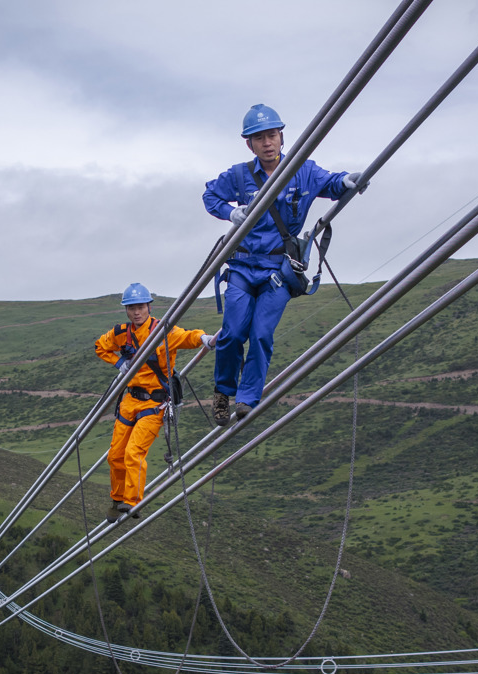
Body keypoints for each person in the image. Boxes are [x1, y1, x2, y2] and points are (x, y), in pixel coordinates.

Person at [202, 103, 367, 425]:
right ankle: (223, 390)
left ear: (281, 137)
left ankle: (247, 399)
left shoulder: (302, 170)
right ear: (249, 143)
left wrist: (350, 179)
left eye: (272, 136)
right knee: (233, 333)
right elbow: (211, 195)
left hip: (279, 269)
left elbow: (332, 183)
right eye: (259, 138)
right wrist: (230, 212)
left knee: (261, 334)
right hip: (243, 266)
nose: (267, 143)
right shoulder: (239, 175)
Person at [95, 283, 215, 520]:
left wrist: (205, 338)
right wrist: (119, 364)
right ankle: (117, 499)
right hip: (130, 401)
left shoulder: (163, 331)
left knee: (133, 452)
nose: (136, 312)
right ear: (126, 310)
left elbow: (186, 337)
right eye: (131, 308)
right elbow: (101, 346)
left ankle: (132, 502)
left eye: (140, 307)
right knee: (115, 455)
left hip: (154, 403)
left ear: (149, 307)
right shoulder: (121, 333)